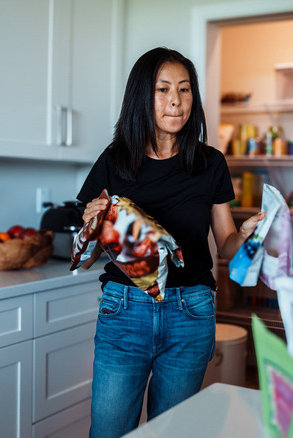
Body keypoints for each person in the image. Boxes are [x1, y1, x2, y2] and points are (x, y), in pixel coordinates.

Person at [76, 47, 265, 437]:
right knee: (109, 430)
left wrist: (244, 237)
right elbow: (93, 254)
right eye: (163, 90)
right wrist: (92, 224)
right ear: (142, 97)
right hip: (124, 310)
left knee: (172, 431)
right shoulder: (114, 160)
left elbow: (225, 243)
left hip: (190, 313)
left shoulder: (210, 163)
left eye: (184, 89)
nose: (175, 101)